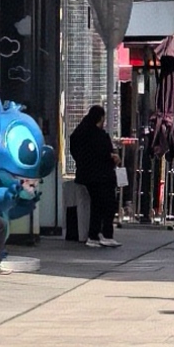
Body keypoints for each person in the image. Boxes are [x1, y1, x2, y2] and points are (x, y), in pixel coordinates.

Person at [69, 104, 119, 246]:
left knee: (96, 205)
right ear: (101, 118)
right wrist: (113, 158)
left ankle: (94, 235)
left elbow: (76, 149)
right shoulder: (99, 136)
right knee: (107, 204)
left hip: (85, 175)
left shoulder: (80, 132)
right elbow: (105, 154)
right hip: (102, 177)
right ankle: (105, 234)